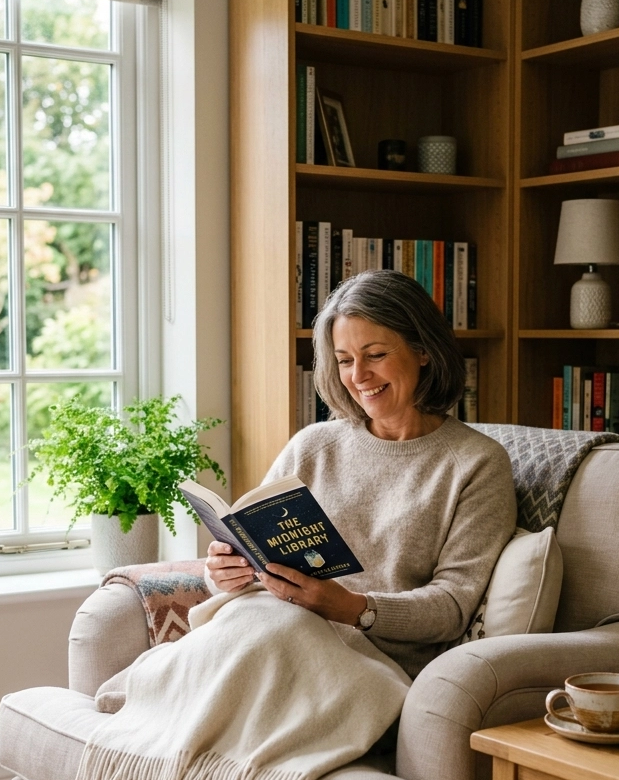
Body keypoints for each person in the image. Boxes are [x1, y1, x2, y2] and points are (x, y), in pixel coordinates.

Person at [206, 269, 516, 680]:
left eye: (375, 355)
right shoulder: (311, 446)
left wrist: (352, 607)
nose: (358, 377)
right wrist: (224, 575)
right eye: (345, 361)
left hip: (367, 662)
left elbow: (453, 606)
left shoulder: (477, 463)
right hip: (272, 627)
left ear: (423, 350)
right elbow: (255, 564)